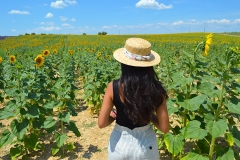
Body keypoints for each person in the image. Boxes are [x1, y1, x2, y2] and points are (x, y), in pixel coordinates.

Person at [98, 37, 169, 160]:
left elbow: (102, 123)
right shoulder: (157, 89)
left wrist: (114, 114)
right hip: (146, 144)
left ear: (124, 63)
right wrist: (149, 115)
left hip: (120, 143)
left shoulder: (113, 87)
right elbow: (164, 128)